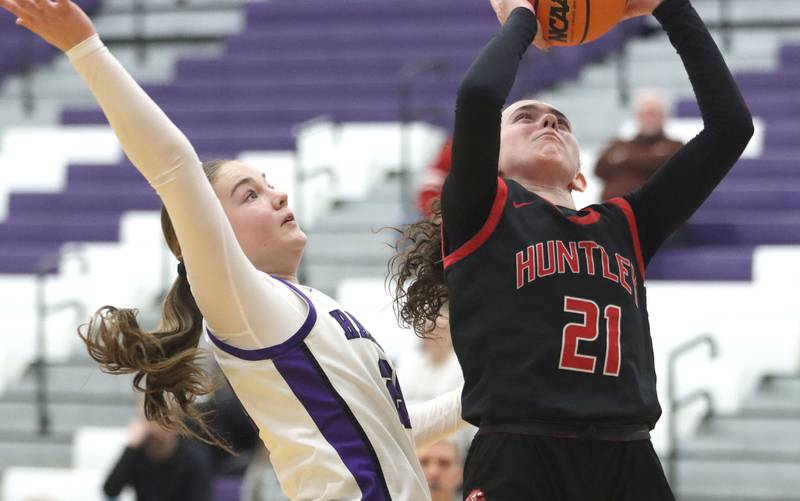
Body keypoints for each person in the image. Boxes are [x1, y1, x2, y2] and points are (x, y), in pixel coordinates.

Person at [0, 1, 466, 499]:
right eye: (251, 195)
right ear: (212, 234)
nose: (279, 195)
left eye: (267, 185)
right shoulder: (245, 305)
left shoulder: (307, 305)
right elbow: (174, 165)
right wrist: (85, 48)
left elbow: (390, 427)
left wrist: (494, 387)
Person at [390, 0, 753, 498]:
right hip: (520, 453)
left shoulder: (625, 223)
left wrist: (670, 9)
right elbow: (477, 95)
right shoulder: (481, 210)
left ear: (581, 173)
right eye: (526, 117)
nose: (548, 123)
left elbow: (731, 127)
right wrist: (525, 14)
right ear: (489, 158)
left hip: (627, 453)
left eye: (560, 120)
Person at [103, 411, 212, 501]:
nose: (153, 427)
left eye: (160, 420)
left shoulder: (193, 458)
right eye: (147, 420)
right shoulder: (136, 454)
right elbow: (110, 490)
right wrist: (131, 447)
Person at [594, 91, 684, 200]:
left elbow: (669, 168)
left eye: (652, 113)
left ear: (664, 116)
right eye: (644, 113)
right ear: (636, 116)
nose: (648, 119)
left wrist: (624, 159)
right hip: (612, 211)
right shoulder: (618, 143)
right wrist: (651, 158)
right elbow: (599, 169)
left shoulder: (675, 146)